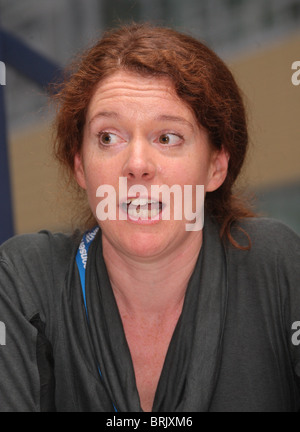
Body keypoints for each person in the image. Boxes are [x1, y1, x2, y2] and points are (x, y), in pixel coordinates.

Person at [0, 23, 299, 413]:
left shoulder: (277, 267)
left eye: (167, 137)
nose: (137, 165)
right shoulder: (26, 278)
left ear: (215, 166)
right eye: (109, 137)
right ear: (80, 165)